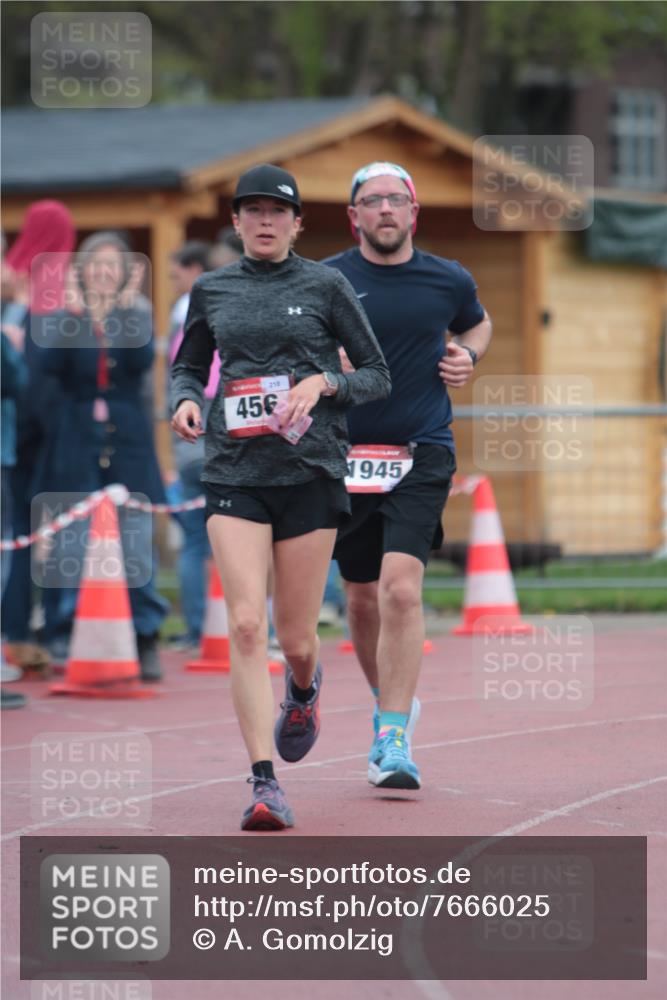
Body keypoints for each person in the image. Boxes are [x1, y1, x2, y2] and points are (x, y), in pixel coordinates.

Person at [171, 163, 390, 830]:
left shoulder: (326, 285)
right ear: (236, 222)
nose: (265, 221)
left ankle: (302, 687)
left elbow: (376, 375)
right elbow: (187, 364)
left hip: (308, 475)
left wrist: (324, 383)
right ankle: (264, 782)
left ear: (296, 224)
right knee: (245, 625)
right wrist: (184, 399)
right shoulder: (212, 289)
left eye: (277, 211)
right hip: (233, 473)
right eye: (253, 210)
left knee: (295, 638)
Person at [324, 161, 492, 790]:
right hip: (344, 454)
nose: (386, 210)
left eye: (396, 200)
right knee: (361, 597)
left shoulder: (449, 278)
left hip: (421, 449)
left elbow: (478, 321)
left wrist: (467, 353)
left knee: (400, 589)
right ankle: (386, 706)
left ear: (413, 212)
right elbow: (296, 350)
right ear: (355, 216)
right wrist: (326, 359)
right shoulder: (329, 279)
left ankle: (393, 736)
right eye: (372, 201)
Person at [35, 231, 169, 680]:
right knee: (73, 539)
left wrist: (125, 314)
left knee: (135, 539)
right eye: (96, 264)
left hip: (127, 436)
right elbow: (48, 366)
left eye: (114, 265)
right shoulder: (64, 317)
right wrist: (75, 318)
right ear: (82, 271)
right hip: (76, 436)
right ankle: (66, 630)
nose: (104, 273)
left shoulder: (136, 314)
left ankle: (145, 635)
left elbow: (140, 363)